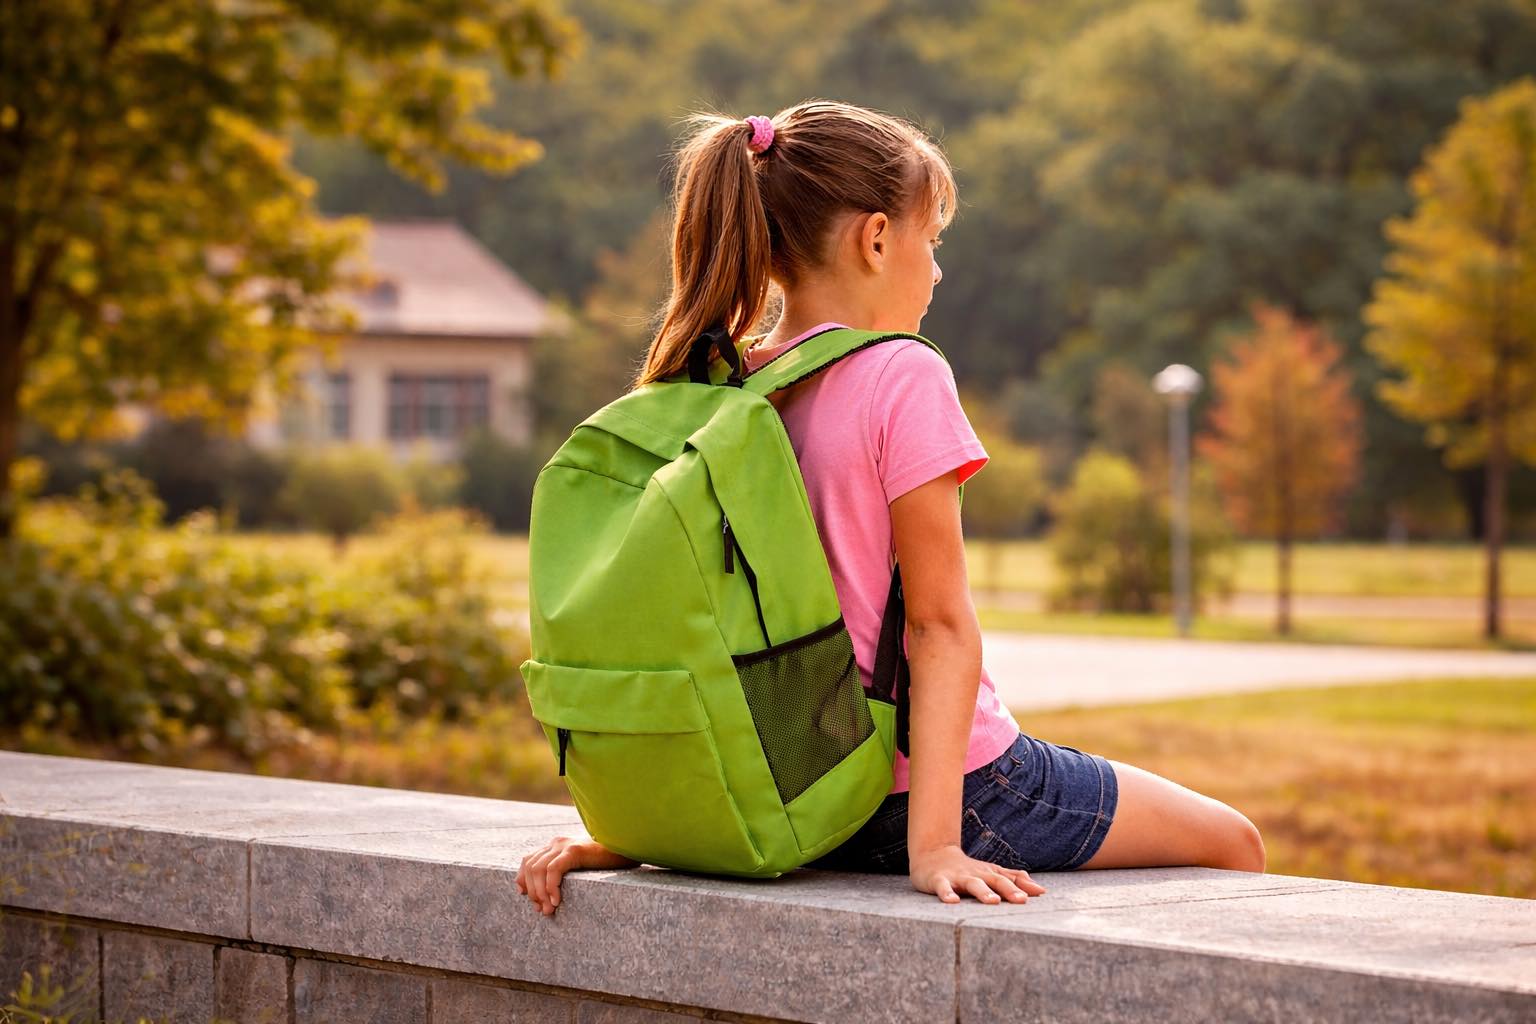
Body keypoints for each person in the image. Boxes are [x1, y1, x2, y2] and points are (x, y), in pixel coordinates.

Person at [516, 100, 1265, 916]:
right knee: (1234, 842)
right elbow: (938, 626)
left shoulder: (713, 389)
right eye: (930, 241)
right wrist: (938, 843)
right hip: (928, 795)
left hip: (787, 792)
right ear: (876, 239)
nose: (937, 271)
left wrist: (638, 828)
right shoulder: (900, 373)